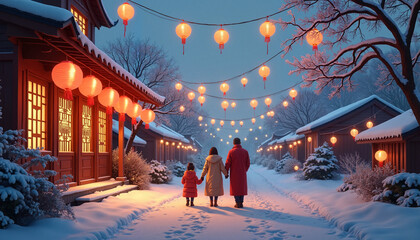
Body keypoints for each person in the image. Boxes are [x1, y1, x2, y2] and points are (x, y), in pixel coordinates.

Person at [225, 138, 250, 208]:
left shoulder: (231, 152)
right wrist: (245, 170)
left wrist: (226, 172)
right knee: (241, 187)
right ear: (240, 142)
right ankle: (241, 202)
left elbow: (227, 163)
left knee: (235, 187)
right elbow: (248, 163)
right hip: (242, 173)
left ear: (233, 143)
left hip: (234, 173)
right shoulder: (245, 152)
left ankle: (237, 202)